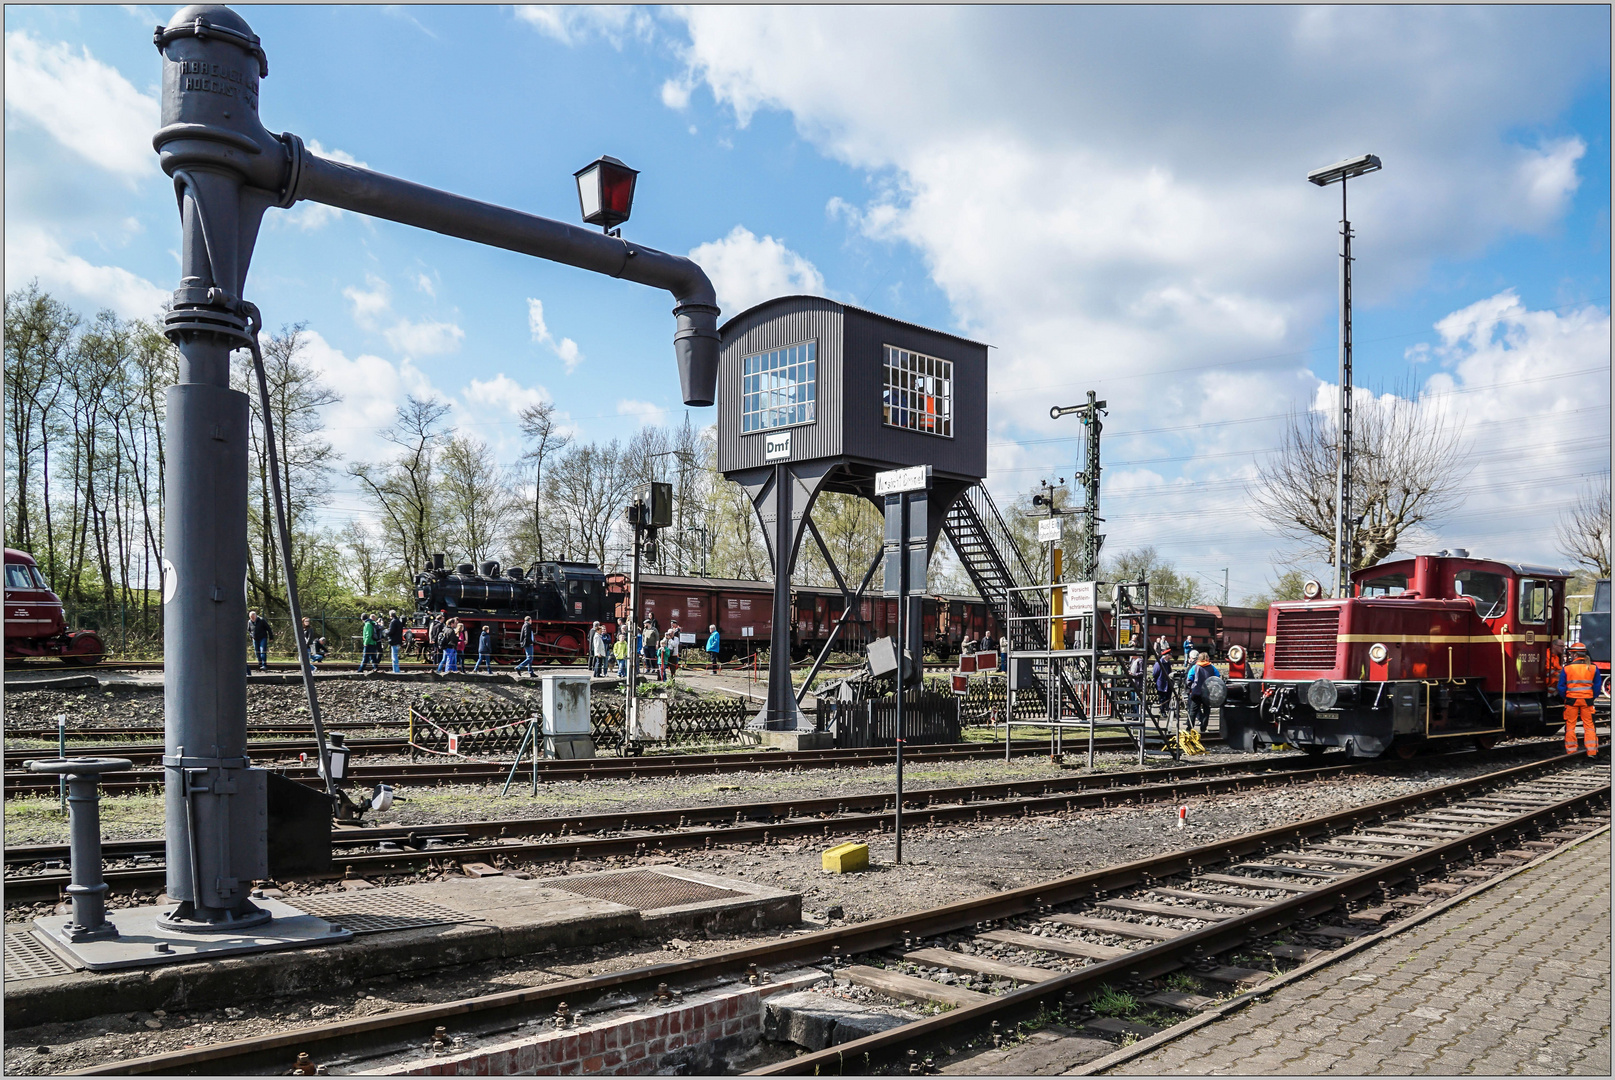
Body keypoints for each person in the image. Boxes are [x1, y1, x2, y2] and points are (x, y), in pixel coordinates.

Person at [1558, 641, 1604, 757]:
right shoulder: (1593, 668)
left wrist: (1566, 696)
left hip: (1571, 701)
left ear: (1575, 654)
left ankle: (1571, 751)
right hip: (1587, 700)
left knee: (1570, 726)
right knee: (1589, 726)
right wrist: (1592, 696)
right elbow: (1597, 686)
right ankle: (1592, 751)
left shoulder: (1568, 668)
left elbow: (1561, 686)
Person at [1187, 651, 1221, 734]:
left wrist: (1190, 687)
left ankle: (1189, 727)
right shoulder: (1212, 667)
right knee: (1206, 711)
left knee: (1193, 711)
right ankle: (1203, 728)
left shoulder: (1195, 667)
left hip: (1196, 692)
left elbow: (1189, 678)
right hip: (1208, 693)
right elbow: (1217, 677)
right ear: (1207, 658)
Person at [1152, 650, 1175, 716]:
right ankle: (1162, 711)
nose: (1171, 656)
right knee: (1161, 698)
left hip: (1168, 683)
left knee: (1168, 697)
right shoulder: (1159, 663)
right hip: (1161, 682)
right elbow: (1155, 674)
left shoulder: (1168, 663)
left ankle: (1167, 710)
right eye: (1170, 655)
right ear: (1167, 656)